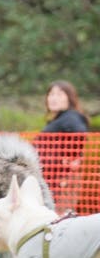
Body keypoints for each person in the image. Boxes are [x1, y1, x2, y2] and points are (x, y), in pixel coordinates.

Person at [36, 80, 91, 210]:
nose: (54, 98)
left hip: (60, 181)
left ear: (69, 98)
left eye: (60, 94)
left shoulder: (71, 117)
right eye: (51, 94)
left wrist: (71, 158)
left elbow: (80, 134)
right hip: (49, 180)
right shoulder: (59, 119)